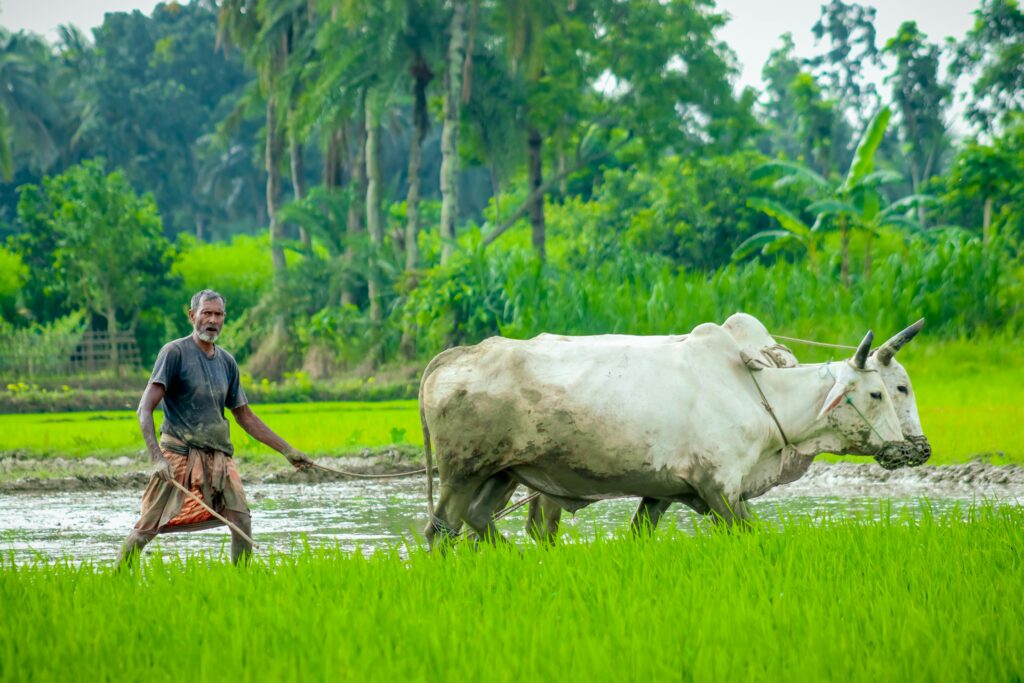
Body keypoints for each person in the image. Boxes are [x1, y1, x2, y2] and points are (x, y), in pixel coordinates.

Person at [117, 289, 313, 565]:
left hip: (219, 457)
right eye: (206, 313)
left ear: (224, 318)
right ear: (192, 315)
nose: (212, 320)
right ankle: (118, 578)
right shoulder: (174, 353)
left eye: (218, 314)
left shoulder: (226, 362)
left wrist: (288, 450)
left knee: (241, 520)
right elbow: (144, 409)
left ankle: (241, 581)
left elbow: (244, 416)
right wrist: (156, 459)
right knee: (148, 526)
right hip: (179, 454)